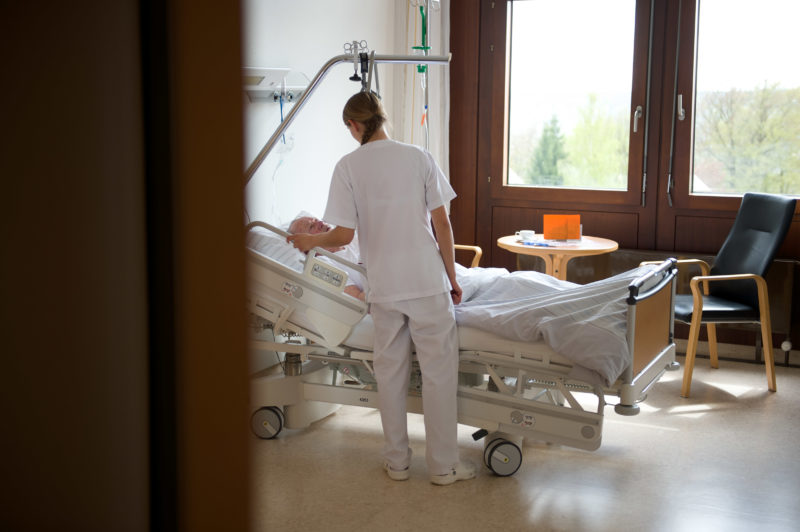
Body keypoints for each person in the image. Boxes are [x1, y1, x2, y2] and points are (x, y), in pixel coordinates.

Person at [287, 91, 475, 486]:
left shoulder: (348, 166)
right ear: (381, 118)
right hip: (426, 281)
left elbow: (343, 233)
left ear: (354, 125)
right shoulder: (418, 156)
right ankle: (442, 467)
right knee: (440, 374)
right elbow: (442, 225)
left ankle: (397, 462)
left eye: (349, 128)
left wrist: (309, 243)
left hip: (384, 285)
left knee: (390, 375)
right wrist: (452, 278)